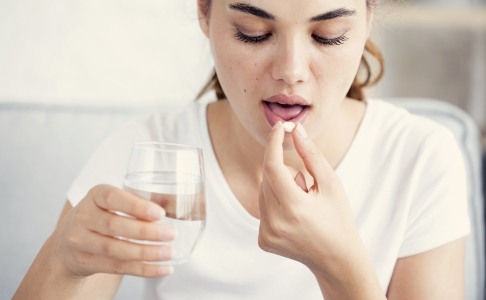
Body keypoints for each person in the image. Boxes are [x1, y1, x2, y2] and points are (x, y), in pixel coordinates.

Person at [14, 0, 470, 299]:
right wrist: (62, 262)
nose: (291, 72)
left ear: (368, 18)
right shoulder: (146, 157)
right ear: (205, 15)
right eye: (253, 33)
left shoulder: (420, 157)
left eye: (327, 35)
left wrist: (341, 269)